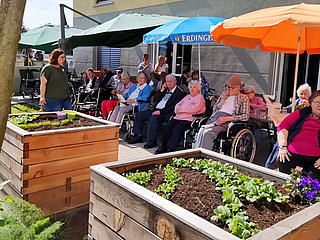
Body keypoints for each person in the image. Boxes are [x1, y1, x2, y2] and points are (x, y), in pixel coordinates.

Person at [128, 74, 186, 148]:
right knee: (139, 114)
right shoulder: (165, 90)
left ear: (175, 82)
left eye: (171, 81)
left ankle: (152, 141)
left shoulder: (180, 93)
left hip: (165, 113)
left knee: (153, 118)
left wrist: (160, 112)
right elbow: (155, 99)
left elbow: (173, 107)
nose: (169, 83)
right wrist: (161, 90)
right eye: (167, 81)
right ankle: (138, 135)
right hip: (156, 110)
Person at [195, 75, 250, 150]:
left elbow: (246, 116)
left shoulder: (244, 98)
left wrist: (228, 118)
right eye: (227, 87)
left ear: (238, 87)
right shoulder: (224, 95)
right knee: (201, 130)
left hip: (227, 121)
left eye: (231, 88)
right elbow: (216, 108)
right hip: (216, 117)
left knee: (207, 133)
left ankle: (206, 158)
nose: (228, 89)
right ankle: (197, 153)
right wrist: (222, 100)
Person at [277, 90, 320, 180]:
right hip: (292, 157)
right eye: (317, 102)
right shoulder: (300, 114)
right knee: (288, 182)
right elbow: (282, 127)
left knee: (311, 187)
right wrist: (283, 147)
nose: (319, 105)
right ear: (311, 103)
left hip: (315, 161)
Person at [156, 80, 206, 154]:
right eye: (191, 87)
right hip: (178, 117)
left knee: (176, 130)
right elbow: (178, 104)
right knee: (167, 128)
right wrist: (177, 109)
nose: (192, 89)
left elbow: (195, 109)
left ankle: (170, 149)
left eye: (194, 87)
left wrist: (181, 110)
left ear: (199, 89)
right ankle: (163, 147)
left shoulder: (199, 97)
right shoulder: (187, 96)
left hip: (189, 119)